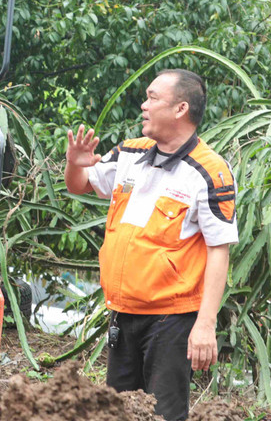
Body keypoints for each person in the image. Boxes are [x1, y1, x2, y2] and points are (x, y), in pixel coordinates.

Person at [65, 69, 238, 421]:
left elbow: (219, 250)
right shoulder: (129, 153)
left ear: (180, 109)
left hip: (171, 321)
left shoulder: (209, 171)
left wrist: (205, 325)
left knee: (163, 415)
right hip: (123, 312)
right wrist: (73, 163)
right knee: (118, 413)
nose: (144, 105)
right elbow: (78, 184)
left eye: (153, 98)